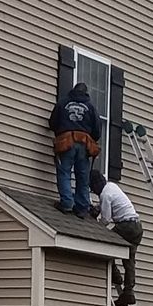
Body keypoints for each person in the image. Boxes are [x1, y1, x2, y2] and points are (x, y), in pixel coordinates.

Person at [91, 168, 143, 306]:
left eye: (93, 189)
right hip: (137, 226)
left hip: (126, 226)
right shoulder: (112, 186)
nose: (94, 192)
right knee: (129, 260)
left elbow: (106, 220)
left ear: (96, 185)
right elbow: (114, 205)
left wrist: (94, 222)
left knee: (108, 244)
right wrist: (98, 208)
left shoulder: (105, 195)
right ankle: (129, 292)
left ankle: (115, 275)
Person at [49, 81, 102, 214]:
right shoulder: (90, 107)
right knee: (83, 177)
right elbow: (97, 131)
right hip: (84, 145)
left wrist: (60, 132)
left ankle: (67, 203)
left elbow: (53, 122)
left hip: (66, 142)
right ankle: (82, 208)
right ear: (85, 93)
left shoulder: (62, 103)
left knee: (64, 172)